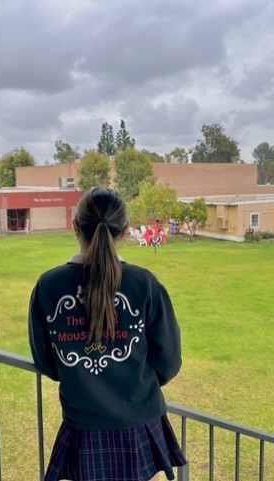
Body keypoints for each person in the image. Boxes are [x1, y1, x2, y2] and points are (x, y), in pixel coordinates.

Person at [29, 187, 186, 481]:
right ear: (124, 230)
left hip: (83, 427)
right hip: (139, 424)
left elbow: (46, 361)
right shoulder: (145, 284)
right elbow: (169, 361)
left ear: (75, 226)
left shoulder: (48, 286)